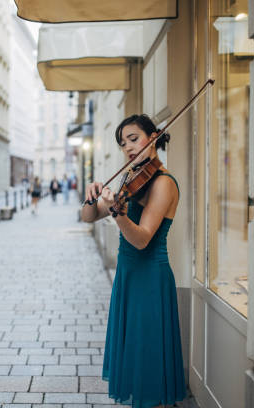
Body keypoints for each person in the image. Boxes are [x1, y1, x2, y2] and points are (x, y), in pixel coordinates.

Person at [81, 114, 186, 408]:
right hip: (128, 276)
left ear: (153, 138)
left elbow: (141, 239)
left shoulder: (163, 183)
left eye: (133, 138)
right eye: (122, 143)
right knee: (135, 357)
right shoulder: (131, 179)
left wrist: (120, 214)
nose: (127, 147)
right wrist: (92, 198)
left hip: (149, 278)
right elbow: (89, 216)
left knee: (147, 358)